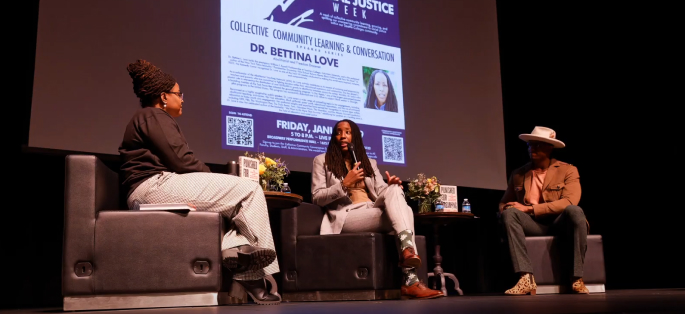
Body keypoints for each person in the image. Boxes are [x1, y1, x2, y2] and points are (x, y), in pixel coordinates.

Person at [119, 60, 280, 305]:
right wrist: (214, 177)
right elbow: (181, 160)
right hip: (152, 187)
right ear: (163, 96)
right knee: (249, 190)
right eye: (178, 94)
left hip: (155, 187)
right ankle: (259, 276)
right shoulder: (152, 115)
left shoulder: (152, 117)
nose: (182, 99)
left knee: (233, 207)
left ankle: (237, 254)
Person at [311, 119, 443, 300]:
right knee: (407, 213)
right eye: (338, 132)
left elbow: (381, 191)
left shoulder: (369, 163)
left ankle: (407, 255)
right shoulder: (322, 161)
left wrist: (391, 186)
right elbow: (317, 197)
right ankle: (410, 278)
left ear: (354, 137)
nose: (342, 136)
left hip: (371, 209)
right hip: (347, 216)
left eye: (348, 132)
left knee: (395, 190)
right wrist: (344, 184)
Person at [499, 126, 589, 295]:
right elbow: (503, 202)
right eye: (530, 145)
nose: (532, 148)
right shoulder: (518, 173)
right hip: (533, 224)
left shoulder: (567, 170)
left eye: (538, 145)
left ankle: (577, 278)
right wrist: (508, 207)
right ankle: (525, 277)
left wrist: (530, 209)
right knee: (509, 213)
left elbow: (570, 201)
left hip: (559, 221)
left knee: (575, 210)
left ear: (550, 147)